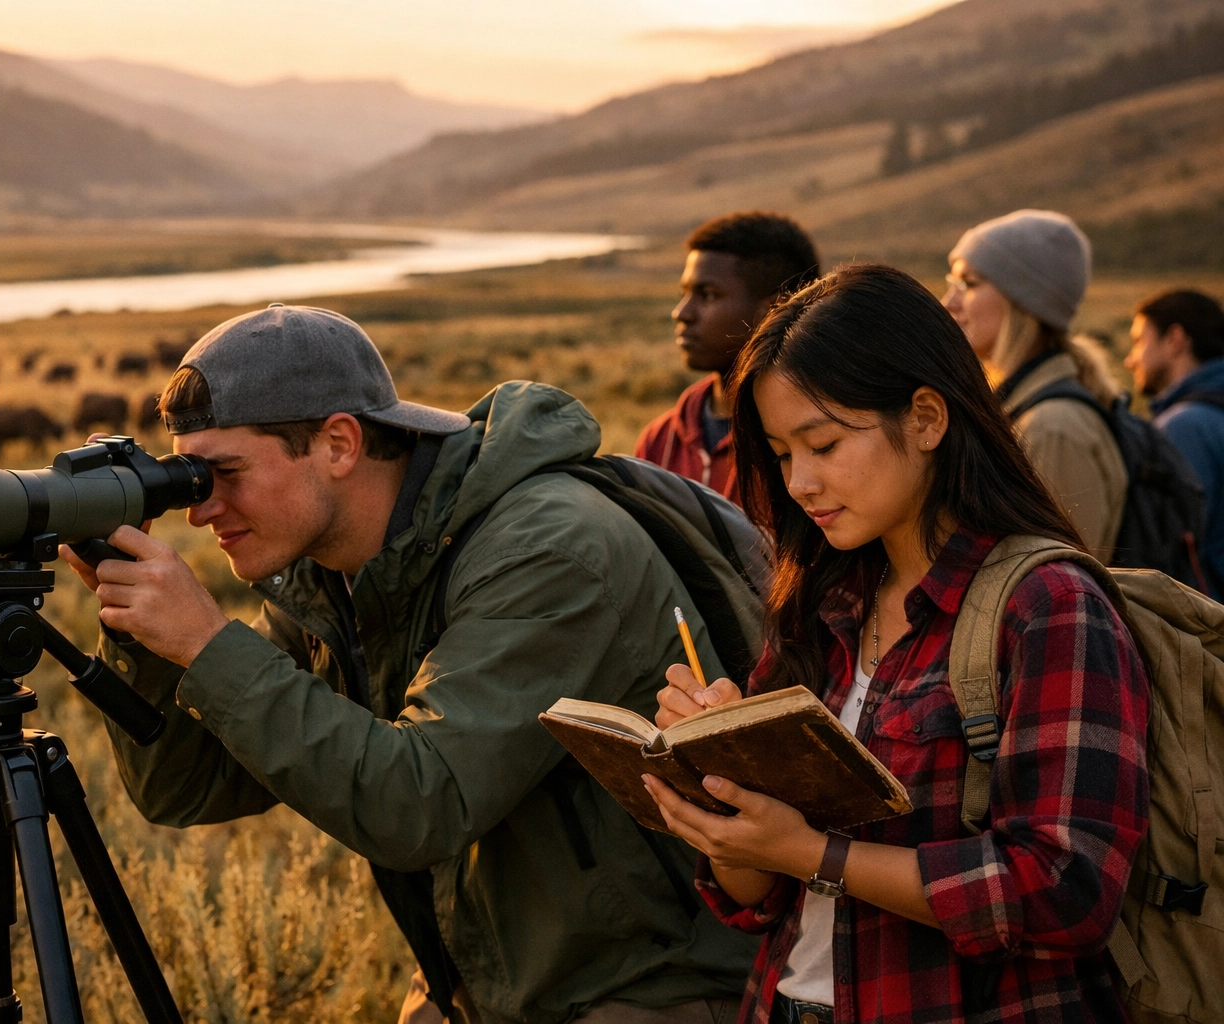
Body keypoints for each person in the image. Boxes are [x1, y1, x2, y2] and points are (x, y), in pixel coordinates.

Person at [65, 304, 761, 1024]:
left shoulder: (546, 548)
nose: (202, 512)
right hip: (495, 973)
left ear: (339, 443)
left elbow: (423, 803)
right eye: (191, 480)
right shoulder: (334, 573)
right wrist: (141, 634)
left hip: (654, 982)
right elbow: (185, 791)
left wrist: (210, 645)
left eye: (224, 473)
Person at [644, 265, 1149, 1023]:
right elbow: (756, 898)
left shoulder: (1047, 607)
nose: (800, 484)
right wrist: (722, 795)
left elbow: (1064, 893)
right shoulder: (823, 604)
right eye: (782, 455)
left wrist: (815, 855)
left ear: (925, 418)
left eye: (822, 444)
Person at [942, 209, 1128, 562]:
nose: (948, 302)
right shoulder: (1025, 410)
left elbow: (1065, 587)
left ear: (1022, 301)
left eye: (968, 284)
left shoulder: (1053, 429)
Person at [635, 212, 821, 496]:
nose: (682, 313)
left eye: (708, 294)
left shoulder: (810, 441)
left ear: (775, 310)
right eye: (685, 293)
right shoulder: (660, 442)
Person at [1126, 288, 1224, 592]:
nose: (1130, 360)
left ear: (1175, 340)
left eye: (1139, 341)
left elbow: (1174, 549)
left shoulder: (1183, 427)